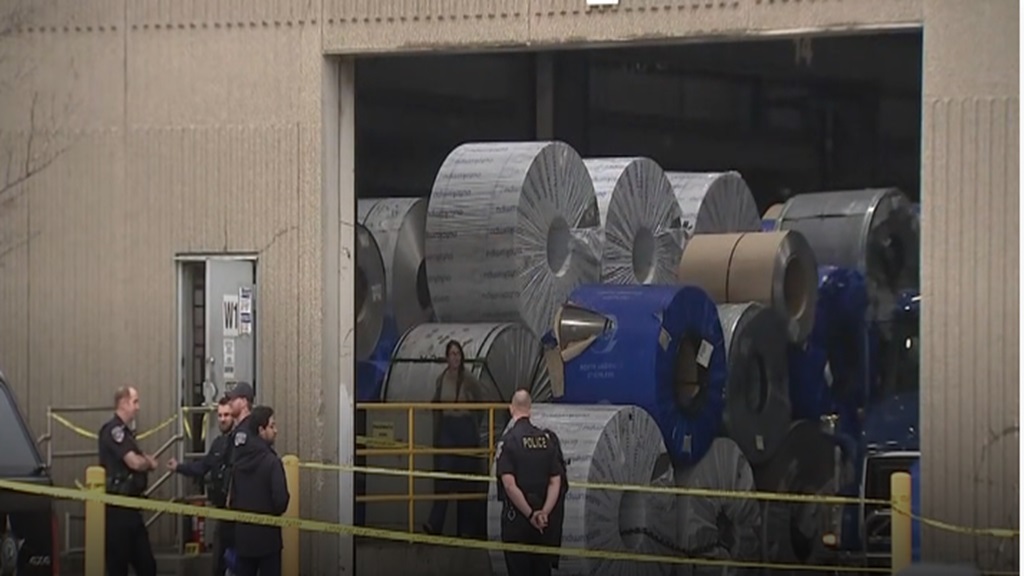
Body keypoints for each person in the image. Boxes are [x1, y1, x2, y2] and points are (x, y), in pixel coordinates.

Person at [495, 389, 564, 576]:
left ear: (511, 409)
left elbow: (509, 485)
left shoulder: (509, 441)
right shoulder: (546, 440)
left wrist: (530, 514)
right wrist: (544, 513)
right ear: (530, 410)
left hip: (517, 520)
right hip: (543, 522)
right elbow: (555, 481)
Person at [422, 339, 486, 537]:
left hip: (464, 428)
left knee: (466, 481)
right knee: (444, 477)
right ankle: (434, 525)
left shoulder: (468, 378)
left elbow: (483, 400)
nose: (455, 357)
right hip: (447, 429)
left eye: (458, 354)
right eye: (452, 354)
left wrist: (473, 419)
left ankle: (465, 530)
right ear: (447, 357)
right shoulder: (442, 379)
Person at [167, 396, 236, 576]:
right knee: (218, 565)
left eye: (227, 415)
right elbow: (202, 466)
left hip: (240, 514)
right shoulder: (218, 443)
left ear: (234, 415)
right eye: (220, 415)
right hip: (222, 512)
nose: (222, 419)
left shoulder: (242, 444)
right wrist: (179, 467)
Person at [97, 386, 159, 576]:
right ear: (123, 403)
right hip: (118, 510)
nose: (138, 407)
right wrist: (148, 462)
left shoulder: (126, 433)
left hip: (131, 509)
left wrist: (145, 461)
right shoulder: (114, 430)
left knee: (147, 566)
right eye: (135, 402)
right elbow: (133, 462)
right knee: (118, 567)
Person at [229, 405, 290, 576]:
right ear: (261, 430)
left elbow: (232, 498)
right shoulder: (272, 462)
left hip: (243, 541)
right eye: (272, 426)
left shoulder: (237, 462)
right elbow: (281, 502)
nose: (276, 431)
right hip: (268, 542)